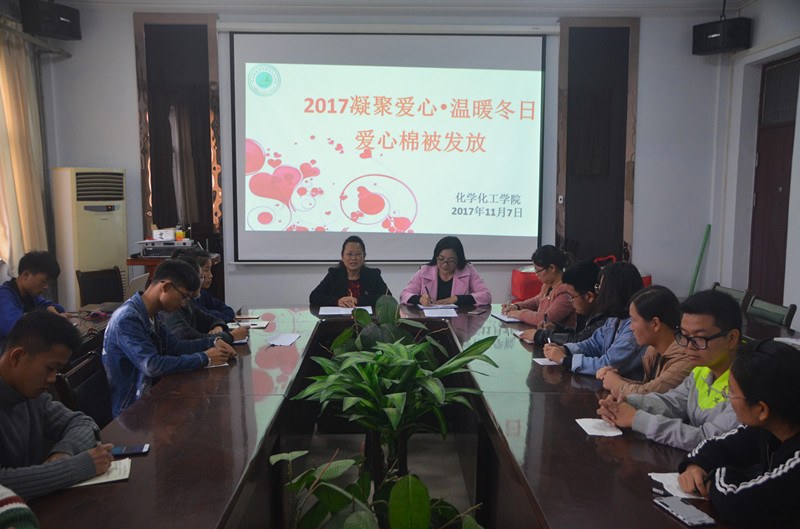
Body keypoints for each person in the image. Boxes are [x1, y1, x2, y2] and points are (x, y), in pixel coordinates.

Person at [596, 289, 741, 451]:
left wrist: (637, 419)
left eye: (698, 338)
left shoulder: (745, 384)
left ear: (732, 338)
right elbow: (672, 403)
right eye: (684, 336)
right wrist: (627, 402)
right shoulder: (703, 369)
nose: (688, 346)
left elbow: (707, 438)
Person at [678, 340, 800, 525]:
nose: (728, 398)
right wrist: (696, 466)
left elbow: (734, 503)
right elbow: (718, 445)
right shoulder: (770, 426)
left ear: (761, 409)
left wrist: (714, 475)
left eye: (732, 393)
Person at [0, 311, 114, 500]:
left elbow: (83, 423)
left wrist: (64, 452)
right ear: (17, 357)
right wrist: (76, 467)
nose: (53, 379)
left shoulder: (33, 396)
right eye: (49, 368)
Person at [102, 259, 236, 418]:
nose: (184, 304)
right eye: (184, 297)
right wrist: (205, 358)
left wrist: (214, 342)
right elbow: (152, 365)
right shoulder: (128, 318)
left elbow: (176, 347)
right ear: (165, 287)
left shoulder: (151, 313)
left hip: (154, 399)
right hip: (133, 412)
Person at [543, 262, 645, 377]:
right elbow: (593, 344)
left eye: (600, 288)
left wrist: (565, 360)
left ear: (615, 292)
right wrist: (565, 349)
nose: (598, 294)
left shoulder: (634, 328)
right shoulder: (615, 318)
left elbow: (608, 364)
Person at [596, 285, 693, 396]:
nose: (631, 327)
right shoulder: (654, 350)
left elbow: (650, 394)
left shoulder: (684, 359)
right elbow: (648, 386)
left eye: (634, 320)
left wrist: (616, 383)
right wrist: (613, 377)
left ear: (655, 324)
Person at [162, 254, 248, 345]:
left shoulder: (188, 302)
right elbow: (190, 339)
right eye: (200, 277)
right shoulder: (173, 307)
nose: (199, 282)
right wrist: (230, 336)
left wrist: (218, 325)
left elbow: (212, 318)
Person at [521, 260, 601, 344]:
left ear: (589, 297)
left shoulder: (604, 318)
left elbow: (579, 340)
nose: (571, 301)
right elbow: (581, 333)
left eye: (572, 297)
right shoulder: (588, 309)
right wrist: (557, 327)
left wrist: (540, 335)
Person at [399, 236, 491, 306]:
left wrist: (456, 299)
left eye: (451, 260)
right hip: (429, 320)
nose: (445, 264)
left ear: (458, 260)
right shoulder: (425, 271)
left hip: (459, 320)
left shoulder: (468, 271)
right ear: (436, 257)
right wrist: (419, 299)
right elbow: (404, 295)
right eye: (441, 259)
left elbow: (486, 296)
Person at [0, 251, 65, 349]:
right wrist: (50, 319)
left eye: (49, 283)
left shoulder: (30, 295)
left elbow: (57, 308)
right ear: (26, 275)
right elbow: (17, 331)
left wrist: (51, 308)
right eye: (44, 281)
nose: (46, 287)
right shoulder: (4, 297)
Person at [501, 246, 575, 328]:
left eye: (538, 270)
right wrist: (517, 306)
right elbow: (536, 302)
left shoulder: (566, 291)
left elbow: (546, 319)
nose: (536, 275)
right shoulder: (548, 285)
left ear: (552, 268)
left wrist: (519, 314)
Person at [309, 236, 390, 308]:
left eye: (358, 254)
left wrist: (357, 300)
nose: (353, 258)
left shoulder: (373, 275)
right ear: (342, 256)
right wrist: (337, 301)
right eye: (349, 254)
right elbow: (314, 296)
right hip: (338, 318)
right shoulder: (334, 274)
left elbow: (388, 298)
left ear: (364, 256)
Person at [171, 247, 236, 323]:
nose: (211, 275)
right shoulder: (187, 299)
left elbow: (228, 310)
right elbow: (209, 318)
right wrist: (217, 317)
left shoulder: (202, 294)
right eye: (206, 270)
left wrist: (217, 321)